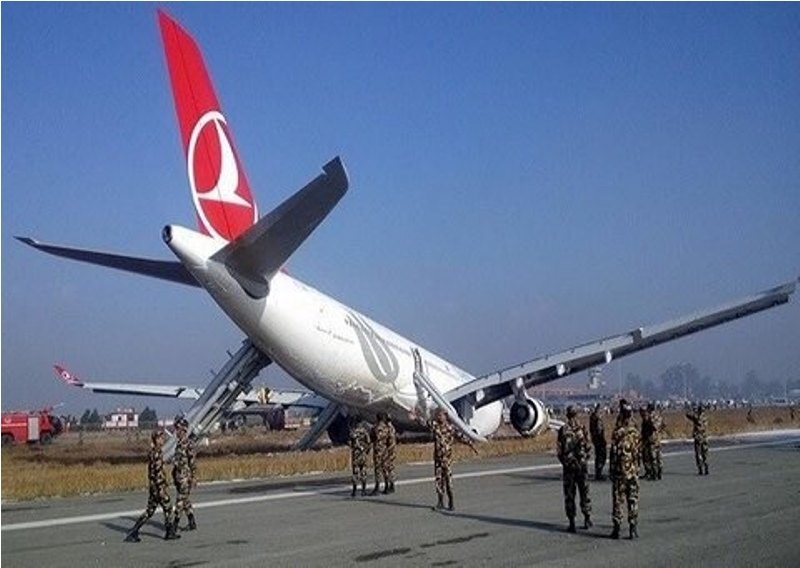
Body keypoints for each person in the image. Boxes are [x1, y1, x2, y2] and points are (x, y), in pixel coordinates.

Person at [125, 429, 179, 541]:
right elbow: (157, 472)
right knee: (168, 507)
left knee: (150, 511)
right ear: (156, 439)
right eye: (160, 438)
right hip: (158, 487)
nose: (162, 440)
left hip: (154, 487)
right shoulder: (157, 453)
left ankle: (133, 531)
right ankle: (169, 532)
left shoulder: (153, 452)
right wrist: (161, 488)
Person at [556, 406, 592, 532]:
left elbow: (559, 451)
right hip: (582, 467)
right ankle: (587, 518)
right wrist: (584, 459)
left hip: (569, 469)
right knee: (585, 493)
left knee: (570, 495)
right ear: (576, 414)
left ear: (567, 415)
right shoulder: (582, 428)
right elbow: (588, 447)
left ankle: (572, 523)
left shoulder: (563, 430)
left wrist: (566, 463)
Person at [609, 399, 641, 539]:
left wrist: (611, 470)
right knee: (632, 500)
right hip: (632, 472)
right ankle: (633, 528)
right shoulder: (635, 432)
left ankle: (617, 528)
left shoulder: (617, 433)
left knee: (618, 501)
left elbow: (613, 453)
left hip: (619, 473)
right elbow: (638, 452)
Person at [171, 416, 197, 531]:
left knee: (180, 500)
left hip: (185, 477)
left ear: (184, 430)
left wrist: (194, 477)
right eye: (176, 429)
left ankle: (174, 525)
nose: (176, 431)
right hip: (178, 477)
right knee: (185, 500)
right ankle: (192, 522)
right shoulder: (179, 444)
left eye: (178, 429)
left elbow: (192, 462)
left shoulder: (188, 444)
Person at [430, 408, 456, 511]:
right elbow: (425, 423)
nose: (439, 417)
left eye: (440, 415)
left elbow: (461, 436)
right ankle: (440, 502)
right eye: (438, 415)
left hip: (447, 459)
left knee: (448, 481)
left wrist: (471, 444)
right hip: (438, 459)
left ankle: (451, 502)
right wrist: (416, 418)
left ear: (445, 416)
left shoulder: (450, 428)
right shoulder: (435, 426)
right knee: (438, 481)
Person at [348, 416, 371, 497]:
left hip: (355, 455)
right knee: (363, 471)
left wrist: (354, 448)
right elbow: (368, 442)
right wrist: (366, 451)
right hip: (363, 454)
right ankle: (363, 490)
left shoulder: (353, 432)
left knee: (355, 472)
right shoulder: (365, 432)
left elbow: (349, 443)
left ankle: (354, 491)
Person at [685, 403, 709, 475]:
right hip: (705, 437)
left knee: (698, 453)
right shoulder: (705, 417)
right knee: (705, 453)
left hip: (698, 437)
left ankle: (700, 469)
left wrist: (691, 409)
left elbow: (688, 415)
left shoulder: (697, 417)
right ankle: (706, 466)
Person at [370, 413, 390, 495]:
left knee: (378, 468)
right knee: (385, 467)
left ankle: (377, 487)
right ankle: (387, 486)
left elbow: (372, 437)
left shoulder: (375, 427)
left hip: (378, 449)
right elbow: (389, 438)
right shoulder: (387, 427)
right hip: (384, 449)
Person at [589, 404, 607, 481]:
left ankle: (598, 472)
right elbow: (599, 431)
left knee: (598, 456)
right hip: (599, 440)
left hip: (595, 440)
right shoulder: (597, 419)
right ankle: (599, 473)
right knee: (601, 457)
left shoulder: (592, 418)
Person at [384, 413, 397, 494]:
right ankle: (391, 485)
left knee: (386, 468)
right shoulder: (392, 427)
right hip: (392, 450)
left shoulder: (388, 428)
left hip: (388, 450)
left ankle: (388, 486)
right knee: (391, 468)